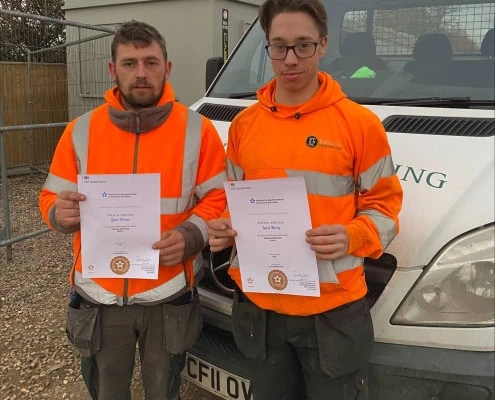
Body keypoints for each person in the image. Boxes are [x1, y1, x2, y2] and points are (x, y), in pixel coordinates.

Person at [207, 1, 403, 399]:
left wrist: (351, 236)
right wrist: (225, 227)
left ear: (323, 45)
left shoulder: (359, 125)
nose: (290, 59)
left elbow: (385, 209)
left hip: (331, 311)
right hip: (259, 306)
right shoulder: (245, 126)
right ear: (267, 48)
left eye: (303, 46)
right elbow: (234, 197)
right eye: (279, 46)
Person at [39, 20, 227, 400]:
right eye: (129, 63)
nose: (141, 73)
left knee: (164, 392)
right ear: (113, 70)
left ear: (167, 68)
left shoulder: (198, 130)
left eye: (151, 62)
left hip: (167, 294)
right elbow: (50, 199)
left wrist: (193, 235)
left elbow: (220, 199)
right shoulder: (80, 131)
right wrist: (60, 215)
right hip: (100, 297)